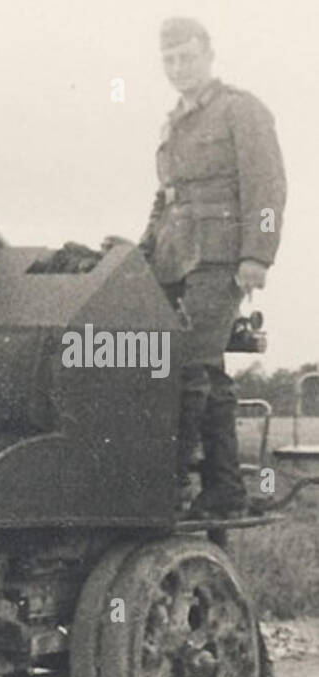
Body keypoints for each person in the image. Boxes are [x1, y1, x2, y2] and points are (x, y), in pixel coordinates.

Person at [137, 17, 286, 518]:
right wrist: (144, 249)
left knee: (185, 366)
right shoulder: (173, 119)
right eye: (170, 60)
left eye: (187, 57)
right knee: (207, 372)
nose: (179, 68)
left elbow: (267, 189)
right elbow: (166, 196)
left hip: (219, 257)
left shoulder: (240, 111)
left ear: (209, 55)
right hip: (171, 257)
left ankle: (169, 483)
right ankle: (224, 487)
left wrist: (256, 256)